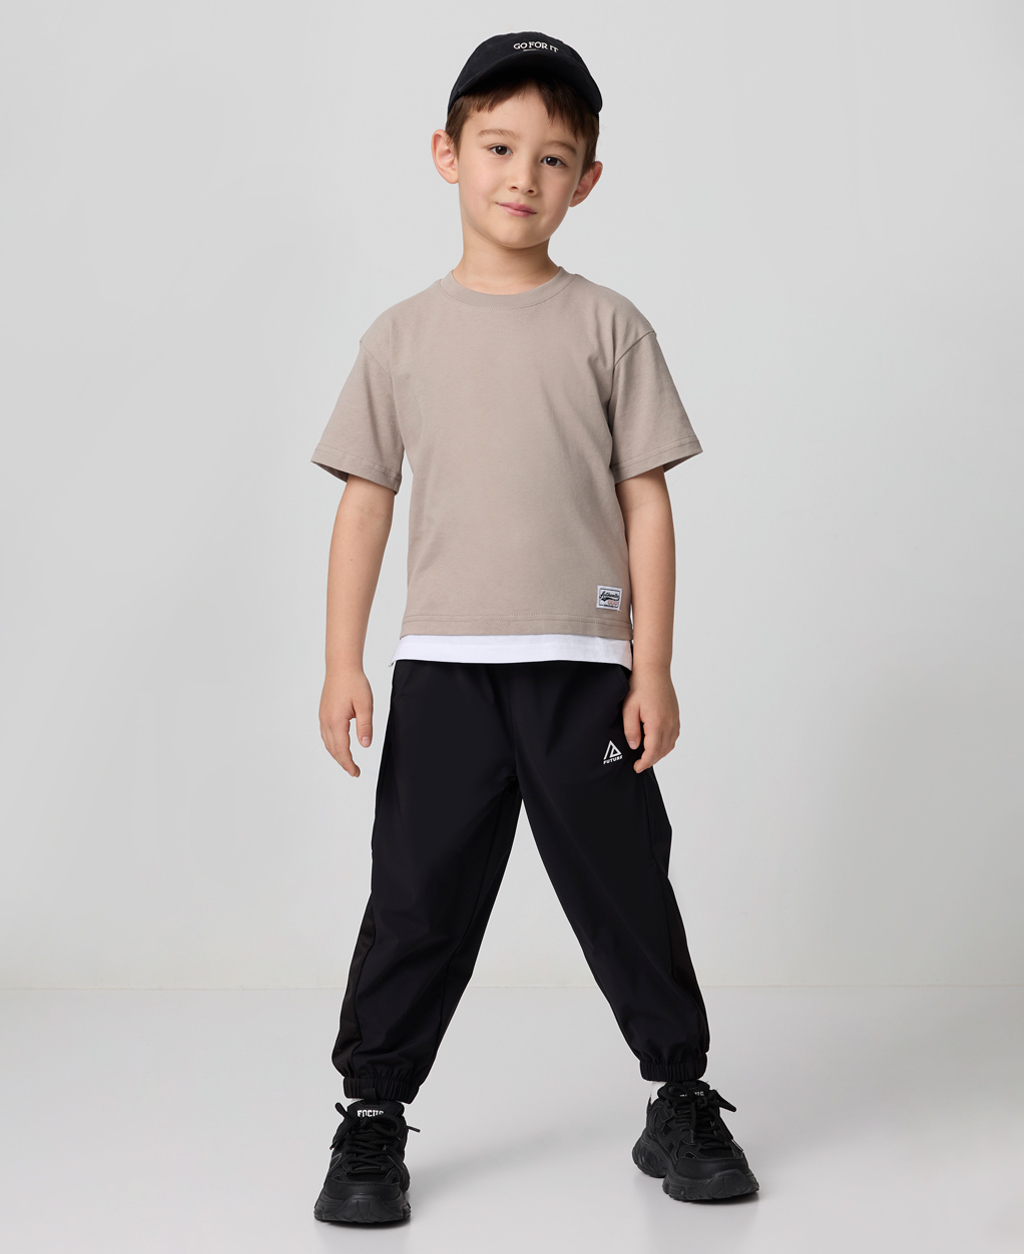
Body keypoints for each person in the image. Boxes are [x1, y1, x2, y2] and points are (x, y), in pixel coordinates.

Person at [307, 30, 759, 1226]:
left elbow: (645, 500)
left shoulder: (609, 326)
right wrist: (342, 661)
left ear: (586, 181)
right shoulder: (399, 336)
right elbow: (366, 501)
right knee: (416, 897)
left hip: (584, 670)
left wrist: (652, 665)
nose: (523, 176)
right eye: (499, 148)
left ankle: (677, 1095)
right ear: (447, 153)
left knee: (625, 887)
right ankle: (371, 1114)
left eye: (553, 158)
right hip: (445, 671)